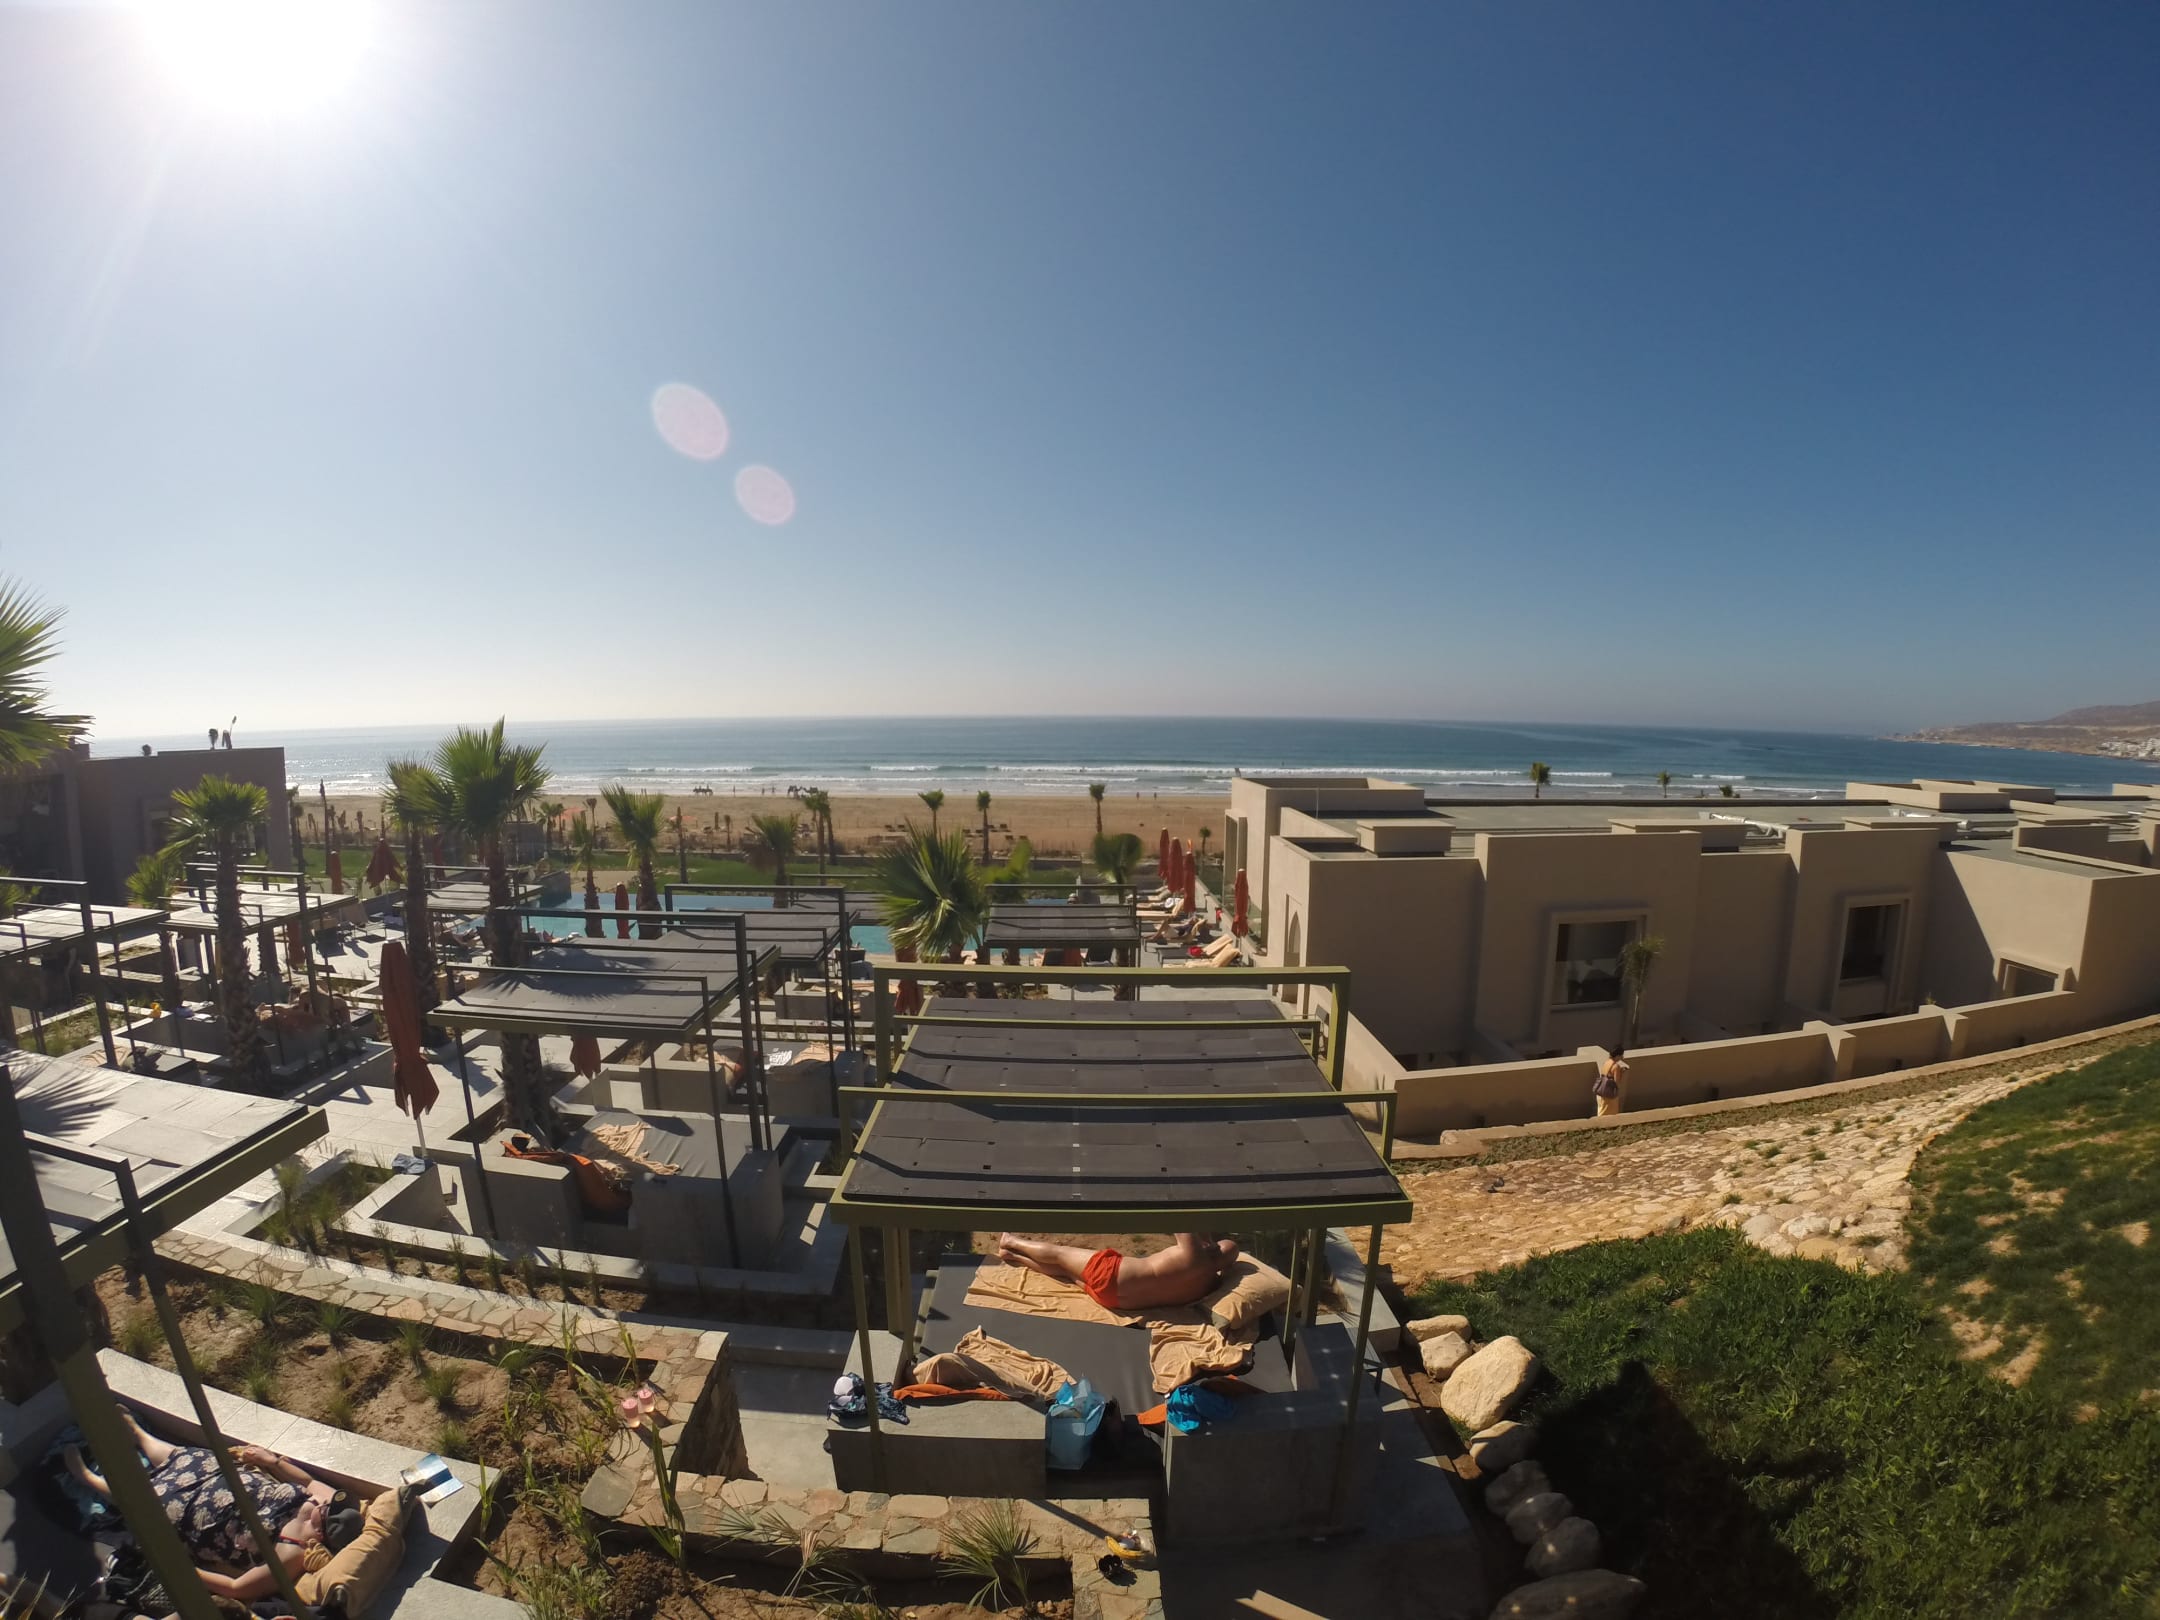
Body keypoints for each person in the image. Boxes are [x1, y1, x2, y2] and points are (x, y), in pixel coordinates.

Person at [65, 1410, 322, 1569]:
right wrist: (273, 1462)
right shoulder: (326, 1504)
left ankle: (87, 1477)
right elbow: (310, 1482)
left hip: (195, 1513)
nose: (323, 1511)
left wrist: (181, 1571)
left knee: (144, 1501)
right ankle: (139, 1434)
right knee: (191, 1459)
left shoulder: (291, 1555)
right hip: (229, 1480)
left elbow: (236, 1587)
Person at [996, 1232, 1239, 1311]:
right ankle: (1013, 1257)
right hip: (1117, 1302)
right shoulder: (1209, 1285)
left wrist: (1204, 1237)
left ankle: (1012, 1242)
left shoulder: (1194, 1252)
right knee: (1065, 1272)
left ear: (1212, 1248)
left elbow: (1179, 1213)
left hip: (1114, 1275)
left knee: (1060, 1254)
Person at [1593, 1047, 1629, 1117]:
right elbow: (1616, 1082)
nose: (1622, 1057)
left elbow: (1606, 1074)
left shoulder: (1606, 1062)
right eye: (1621, 1055)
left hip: (1601, 1091)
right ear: (1618, 1056)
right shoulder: (1616, 1066)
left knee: (1601, 1113)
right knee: (1610, 1114)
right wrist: (1621, 1072)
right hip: (1609, 1094)